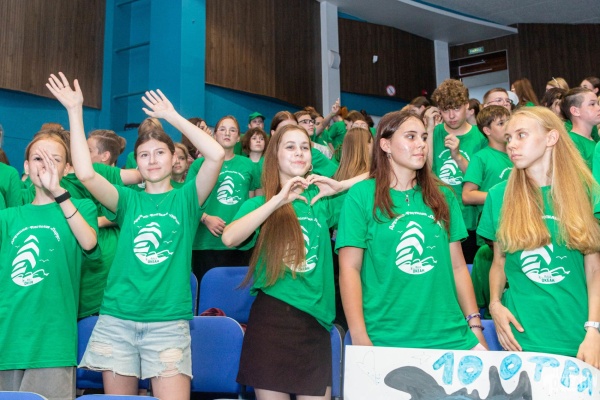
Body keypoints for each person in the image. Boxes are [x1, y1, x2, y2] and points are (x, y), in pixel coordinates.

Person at [47, 72, 225, 400]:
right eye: (144, 155)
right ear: (136, 163)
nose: (152, 160)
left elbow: (215, 155)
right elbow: (85, 173)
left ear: (174, 159)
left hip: (168, 322)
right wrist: (75, 110)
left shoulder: (187, 199)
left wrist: (172, 117)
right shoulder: (128, 200)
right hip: (118, 318)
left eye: (160, 153)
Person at [221, 124, 365, 400]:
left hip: (315, 323)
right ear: (274, 156)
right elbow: (229, 237)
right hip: (272, 320)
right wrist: (277, 201)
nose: (299, 152)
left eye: (305, 147)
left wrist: (342, 184)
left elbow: (383, 173)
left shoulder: (322, 201)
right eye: (290, 147)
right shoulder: (261, 204)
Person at [336, 110, 487, 350]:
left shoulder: (443, 195)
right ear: (385, 145)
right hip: (385, 336)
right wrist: (359, 335)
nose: (421, 144)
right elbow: (349, 269)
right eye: (411, 137)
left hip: (450, 335)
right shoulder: (361, 195)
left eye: (424, 137)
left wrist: (475, 326)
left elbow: (458, 267)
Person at [478, 107, 600, 367]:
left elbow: (594, 269)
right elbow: (499, 262)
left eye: (521, 135)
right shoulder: (498, 195)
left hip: (578, 335)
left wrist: (594, 329)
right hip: (520, 338)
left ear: (551, 138)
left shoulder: (587, 191)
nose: (512, 144)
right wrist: (495, 305)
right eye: (509, 137)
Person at [0, 130, 99, 400]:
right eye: (38, 159)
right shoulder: (7, 218)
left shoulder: (82, 208)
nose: (45, 166)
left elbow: (89, 243)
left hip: (52, 345)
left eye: (54, 159)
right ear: (26, 166)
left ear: (67, 169)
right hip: (7, 342)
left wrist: (59, 194)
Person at [186, 115, 261, 283]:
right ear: (215, 134)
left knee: (238, 293)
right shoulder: (199, 165)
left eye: (232, 130)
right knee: (207, 294)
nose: (227, 133)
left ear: (238, 137)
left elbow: (257, 202)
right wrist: (206, 218)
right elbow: (188, 202)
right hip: (205, 243)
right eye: (222, 129)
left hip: (240, 243)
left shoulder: (249, 165)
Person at [430, 79, 487, 263]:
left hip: (470, 220)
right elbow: (424, 170)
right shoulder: (433, 133)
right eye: (445, 110)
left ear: (466, 105)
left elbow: (482, 181)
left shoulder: (480, 137)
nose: (451, 115)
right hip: (438, 218)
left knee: (468, 271)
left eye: (456, 108)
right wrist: (428, 130)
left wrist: (458, 156)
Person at [462, 105, 512, 208]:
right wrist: (504, 196)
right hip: (494, 215)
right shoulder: (480, 157)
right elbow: (467, 195)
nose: (508, 126)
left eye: (509, 121)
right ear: (487, 131)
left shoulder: (517, 152)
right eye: (501, 123)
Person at [561, 87, 600, 169]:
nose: (598, 108)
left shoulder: (593, 139)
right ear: (575, 111)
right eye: (592, 104)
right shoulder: (572, 141)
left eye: (598, 104)